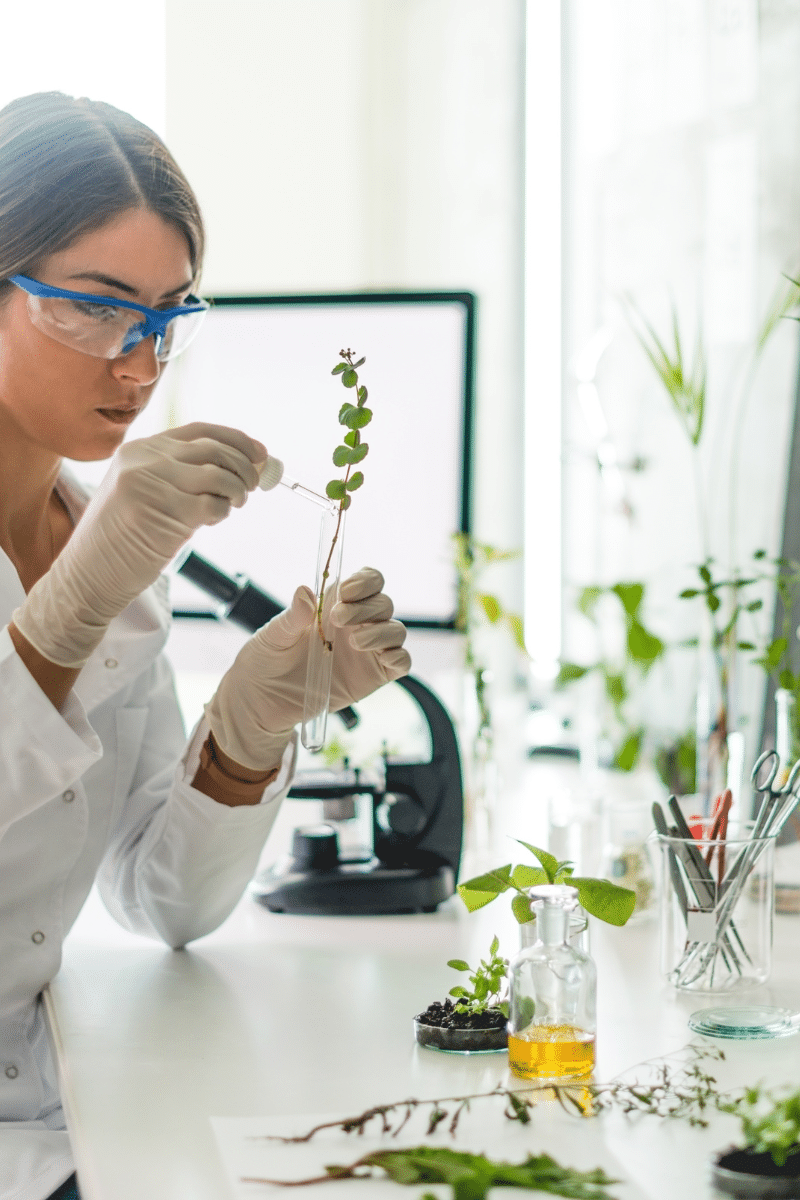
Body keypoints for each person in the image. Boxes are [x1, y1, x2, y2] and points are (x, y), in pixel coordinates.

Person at [0, 92, 411, 1200]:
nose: (139, 364)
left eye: (168, 315)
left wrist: (245, 730)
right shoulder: (104, 566)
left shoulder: (111, 551)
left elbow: (160, 904)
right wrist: (60, 617)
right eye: (92, 308)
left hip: (53, 1109)